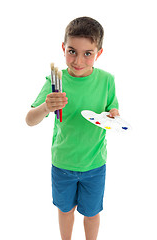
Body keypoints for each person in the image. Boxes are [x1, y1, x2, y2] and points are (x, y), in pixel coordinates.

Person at [26, 16, 119, 240]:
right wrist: (46, 107)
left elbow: (113, 110)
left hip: (95, 164)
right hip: (63, 163)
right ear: (63, 48)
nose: (78, 60)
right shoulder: (55, 81)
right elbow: (30, 119)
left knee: (92, 212)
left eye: (88, 53)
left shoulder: (107, 80)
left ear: (99, 52)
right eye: (72, 51)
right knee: (65, 209)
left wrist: (114, 116)